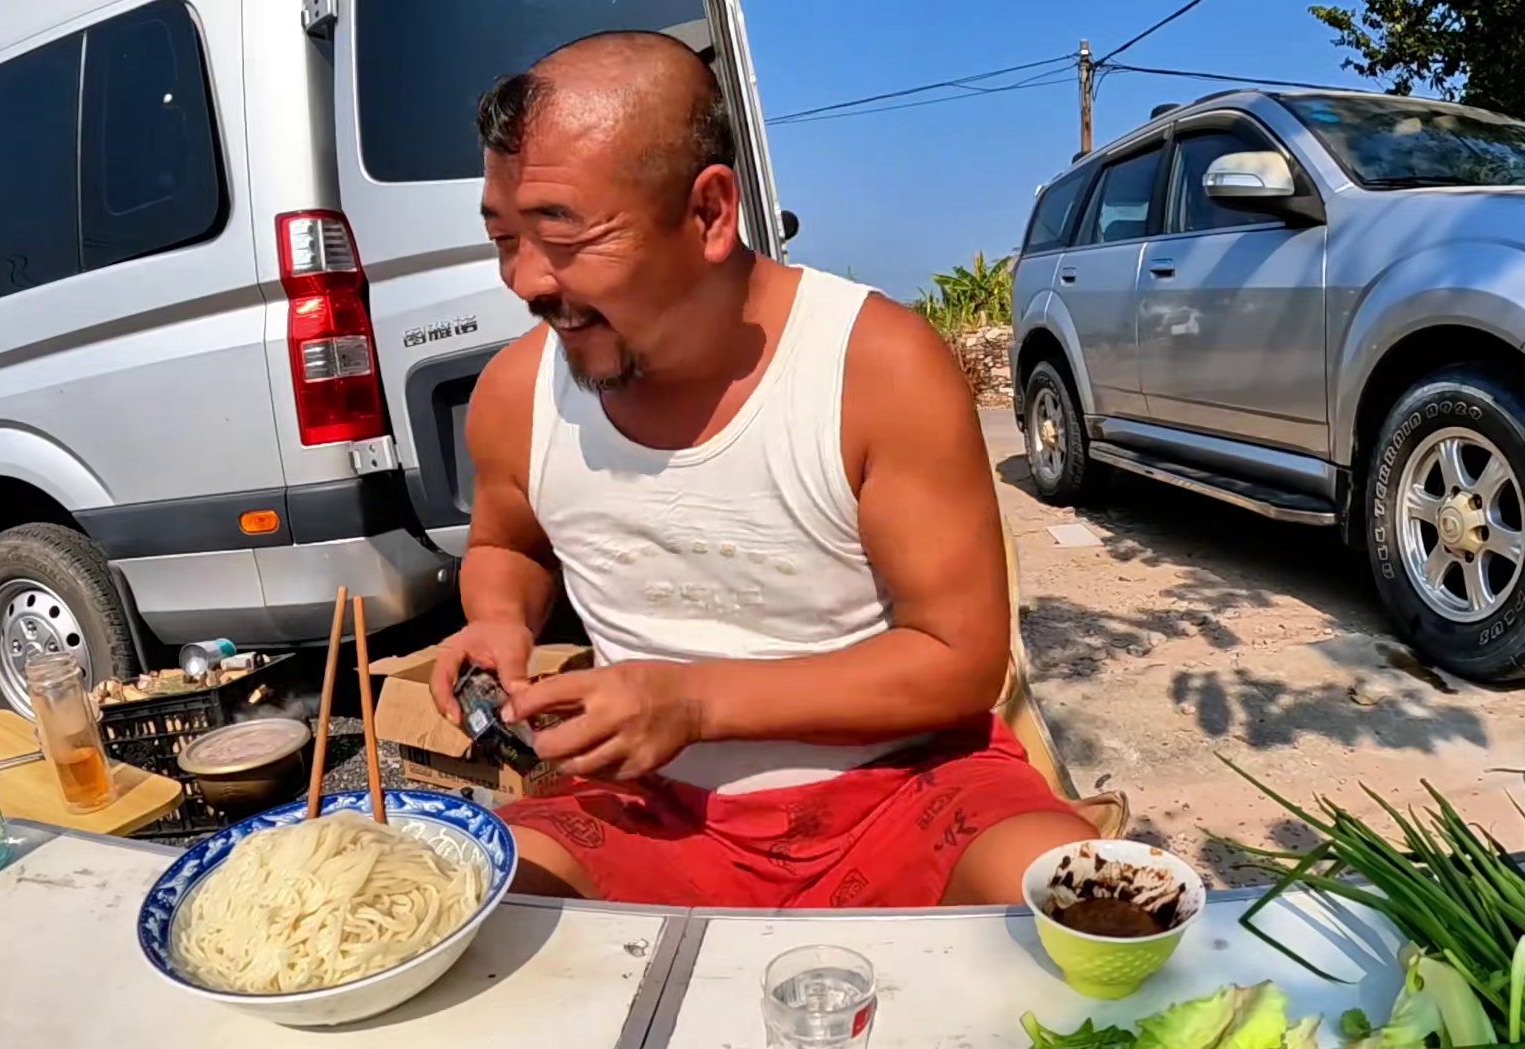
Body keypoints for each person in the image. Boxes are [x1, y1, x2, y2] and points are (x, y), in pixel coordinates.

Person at [428, 29, 1096, 909]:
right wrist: (500, 622)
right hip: (652, 812)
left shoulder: (873, 367)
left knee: (1076, 895)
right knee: (471, 900)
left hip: (908, 788)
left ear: (708, 214)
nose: (527, 282)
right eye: (504, 237)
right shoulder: (517, 395)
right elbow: (505, 545)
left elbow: (958, 662)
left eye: (563, 234)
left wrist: (695, 704)